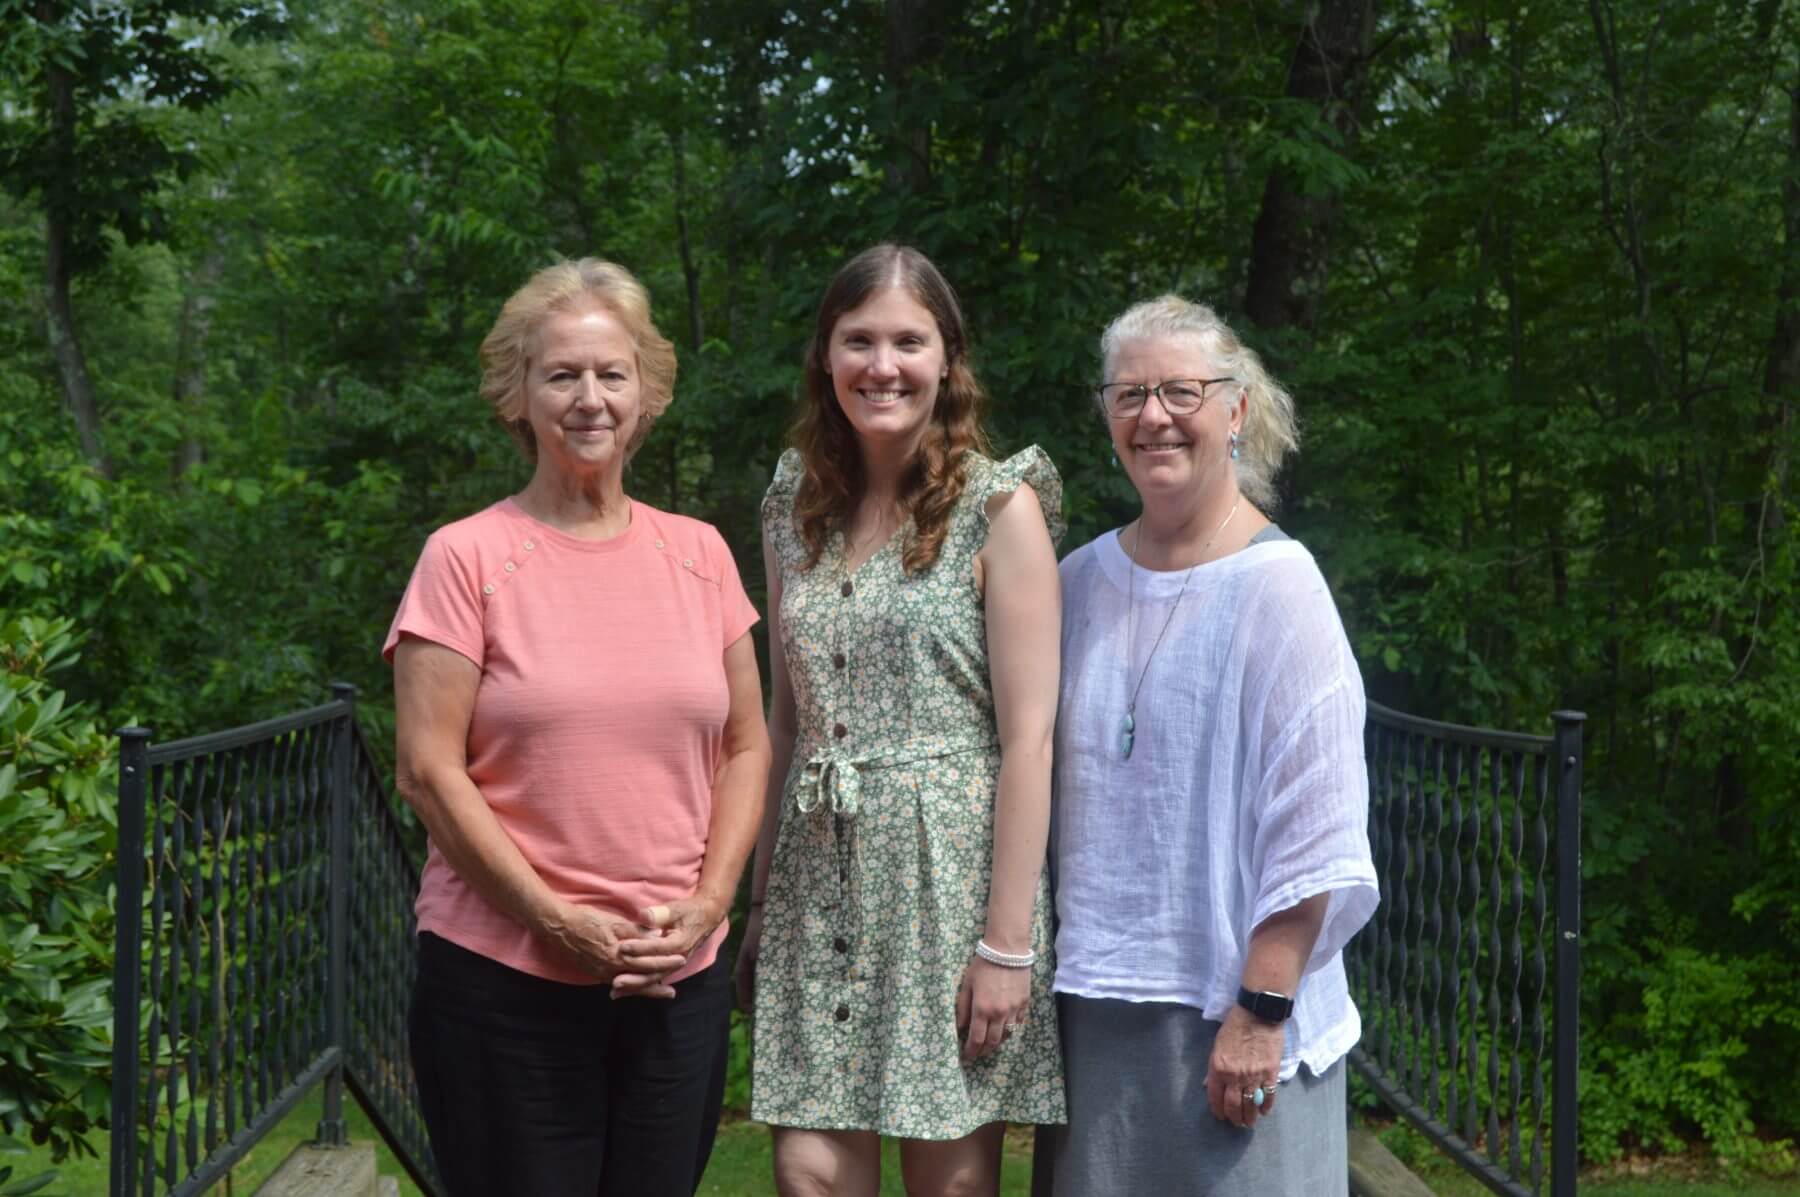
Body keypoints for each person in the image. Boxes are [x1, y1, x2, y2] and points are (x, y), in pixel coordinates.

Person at [384, 258, 770, 1197]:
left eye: (611, 373)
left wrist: (713, 903)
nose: (589, 398)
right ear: (520, 393)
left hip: (674, 979)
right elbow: (428, 772)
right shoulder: (464, 557)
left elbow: (749, 745)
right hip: (503, 982)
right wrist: (555, 920)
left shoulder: (700, 553)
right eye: (562, 375)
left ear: (647, 391)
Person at [735, 243, 1066, 1196]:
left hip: (947, 885)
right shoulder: (793, 503)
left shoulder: (998, 507)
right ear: (825, 358)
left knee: (950, 1184)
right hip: (814, 874)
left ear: (948, 359)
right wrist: (760, 906)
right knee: (808, 1175)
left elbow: (1028, 740)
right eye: (859, 340)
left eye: (908, 341)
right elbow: (786, 720)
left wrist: (1006, 944)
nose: (883, 364)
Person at [1047, 295, 1378, 1195]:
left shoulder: (1282, 588)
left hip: (1231, 1020)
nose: (1153, 415)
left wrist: (1262, 1010)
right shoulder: (1075, 582)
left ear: (1236, 410)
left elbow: (1317, 826)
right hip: (1098, 1015)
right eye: (1129, 394)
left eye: (1180, 390)